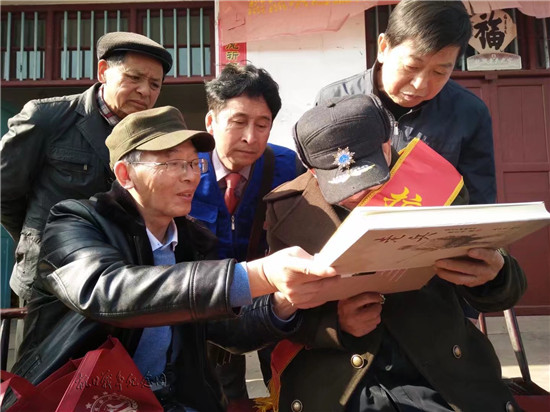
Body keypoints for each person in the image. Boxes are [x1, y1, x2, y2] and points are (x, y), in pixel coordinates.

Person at [7, 106, 339, 412]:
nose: (190, 176)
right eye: (172, 164)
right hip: (77, 398)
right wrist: (258, 275)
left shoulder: (193, 242)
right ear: (125, 174)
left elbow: (226, 330)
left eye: (194, 164)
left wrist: (285, 301)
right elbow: (107, 291)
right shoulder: (74, 222)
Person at [263, 94, 526, 412]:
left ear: (386, 146)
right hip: (340, 377)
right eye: (340, 184)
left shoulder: (433, 182)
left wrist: (494, 274)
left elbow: (501, 289)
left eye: (368, 174)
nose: (358, 193)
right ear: (311, 169)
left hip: (436, 368)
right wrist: (334, 323)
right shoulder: (288, 208)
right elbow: (274, 310)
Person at [1, 31, 173, 304]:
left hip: (121, 279)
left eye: (155, 84)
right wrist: (36, 237)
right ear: (103, 71)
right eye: (134, 78)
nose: (145, 91)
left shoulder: (155, 138)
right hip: (51, 278)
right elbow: (4, 192)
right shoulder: (46, 118)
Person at [189, 63, 304, 400]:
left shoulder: (288, 167)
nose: (251, 137)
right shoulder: (184, 168)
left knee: (286, 384)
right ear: (211, 122)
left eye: (262, 125)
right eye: (238, 122)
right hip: (208, 305)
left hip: (273, 302)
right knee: (219, 393)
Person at [315, 0, 495, 207]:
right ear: (383, 48)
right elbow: (316, 186)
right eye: (411, 66)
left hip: (432, 226)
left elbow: (479, 202)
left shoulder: (469, 112)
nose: (420, 84)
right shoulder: (335, 101)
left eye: (439, 72)